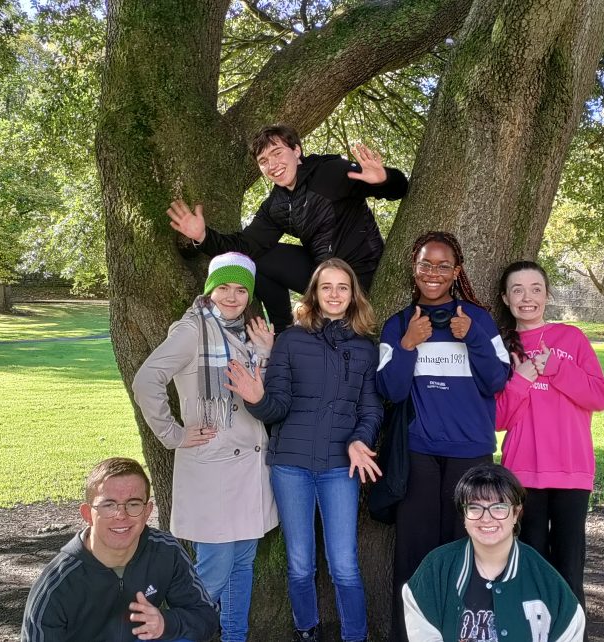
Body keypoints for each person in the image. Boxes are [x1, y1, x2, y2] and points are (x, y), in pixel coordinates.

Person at [224, 258, 382, 642]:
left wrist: (361, 439)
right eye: (326, 287)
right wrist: (257, 399)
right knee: (299, 564)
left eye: (342, 287)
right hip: (290, 465)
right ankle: (305, 630)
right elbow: (275, 407)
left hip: (339, 466)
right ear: (314, 293)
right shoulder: (292, 341)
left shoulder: (365, 348)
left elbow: (371, 408)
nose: (334, 294)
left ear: (352, 294)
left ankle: (355, 635)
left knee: (344, 564)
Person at [131, 252, 279, 642]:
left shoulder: (248, 333)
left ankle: (234, 637)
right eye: (223, 288)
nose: (231, 297)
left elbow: (258, 394)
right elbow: (146, 381)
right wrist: (173, 434)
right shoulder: (192, 330)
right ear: (210, 290)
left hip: (250, 468)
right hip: (213, 468)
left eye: (240, 289)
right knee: (211, 575)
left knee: (243, 566)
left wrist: (265, 351)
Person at [376, 231, 511, 639]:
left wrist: (471, 336)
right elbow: (390, 391)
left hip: (469, 454)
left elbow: (497, 380)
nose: (432, 273)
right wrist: (406, 345)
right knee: (414, 557)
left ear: (456, 271)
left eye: (442, 265)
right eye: (424, 264)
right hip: (418, 455)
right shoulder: (399, 324)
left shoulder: (478, 320)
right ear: (413, 268)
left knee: (470, 553)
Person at [167, 123, 408, 331]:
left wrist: (384, 179)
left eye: (277, 153)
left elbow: (398, 189)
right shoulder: (276, 206)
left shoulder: (331, 172)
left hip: (361, 272)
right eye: (263, 161)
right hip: (321, 273)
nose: (272, 164)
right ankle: (283, 329)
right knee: (255, 260)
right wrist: (202, 235)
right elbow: (244, 246)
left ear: (296, 150)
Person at [494, 260, 604, 613]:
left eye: (535, 289)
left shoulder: (570, 338)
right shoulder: (501, 347)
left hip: (572, 471)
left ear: (547, 295)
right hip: (523, 473)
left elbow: (599, 396)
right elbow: (498, 418)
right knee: (528, 567)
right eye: (517, 290)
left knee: (568, 569)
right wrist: (523, 378)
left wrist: (557, 368)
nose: (526, 298)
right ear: (505, 298)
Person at [21, 457, 219, 642]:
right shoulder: (57, 585)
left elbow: (206, 617)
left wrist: (166, 623)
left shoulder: (165, 552)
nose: (121, 515)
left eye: (133, 504)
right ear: (88, 514)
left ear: (147, 511)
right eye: (109, 505)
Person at [402, 463, 585, 642]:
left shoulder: (545, 580)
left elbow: (570, 627)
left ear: (515, 513)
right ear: (463, 516)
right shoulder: (437, 569)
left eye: (499, 508)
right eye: (474, 508)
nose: (486, 518)